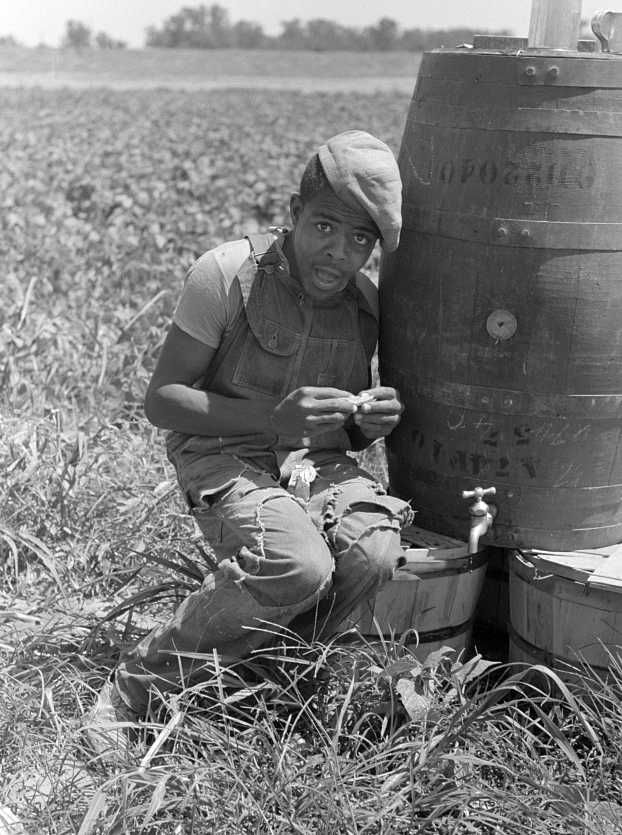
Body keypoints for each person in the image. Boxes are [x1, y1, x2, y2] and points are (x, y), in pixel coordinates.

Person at [85, 129, 413, 759]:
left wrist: (363, 425)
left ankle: (269, 677)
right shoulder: (227, 274)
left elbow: (336, 431)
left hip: (310, 462)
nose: (338, 254)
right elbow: (162, 401)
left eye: (361, 240)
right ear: (293, 212)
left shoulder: (365, 304)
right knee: (298, 565)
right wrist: (274, 419)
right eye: (324, 227)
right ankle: (134, 689)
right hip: (219, 450)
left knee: (374, 551)